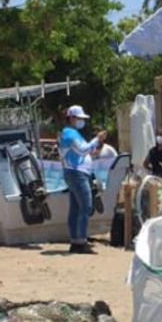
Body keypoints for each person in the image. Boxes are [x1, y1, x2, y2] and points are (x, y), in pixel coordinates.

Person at [58, 105, 106, 254]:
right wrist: (96, 139)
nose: (82, 121)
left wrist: (95, 145)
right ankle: (81, 241)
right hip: (76, 173)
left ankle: (76, 241)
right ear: (72, 118)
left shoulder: (73, 133)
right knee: (86, 207)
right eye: (80, 118)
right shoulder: (69, 134)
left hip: (77, 173)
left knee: (76, 208)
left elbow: (86, 150)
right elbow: (82, 149)